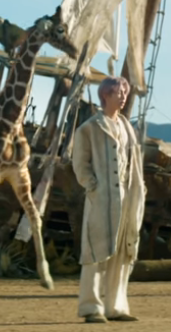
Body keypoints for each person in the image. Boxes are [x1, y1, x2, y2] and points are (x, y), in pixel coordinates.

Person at [70, 76, 146, 324]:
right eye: (118, 93)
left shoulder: (127, 128)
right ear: (105, 95)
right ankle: (91, 308)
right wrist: (93, 186)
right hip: (101, 198)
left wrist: (138, 189)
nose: (123, 97)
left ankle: (116, 307)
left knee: (122, 254)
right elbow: (80, 163)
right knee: (95, 252)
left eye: (124, 92)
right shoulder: (90, 128)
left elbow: (134, 162)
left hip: (127, 196)